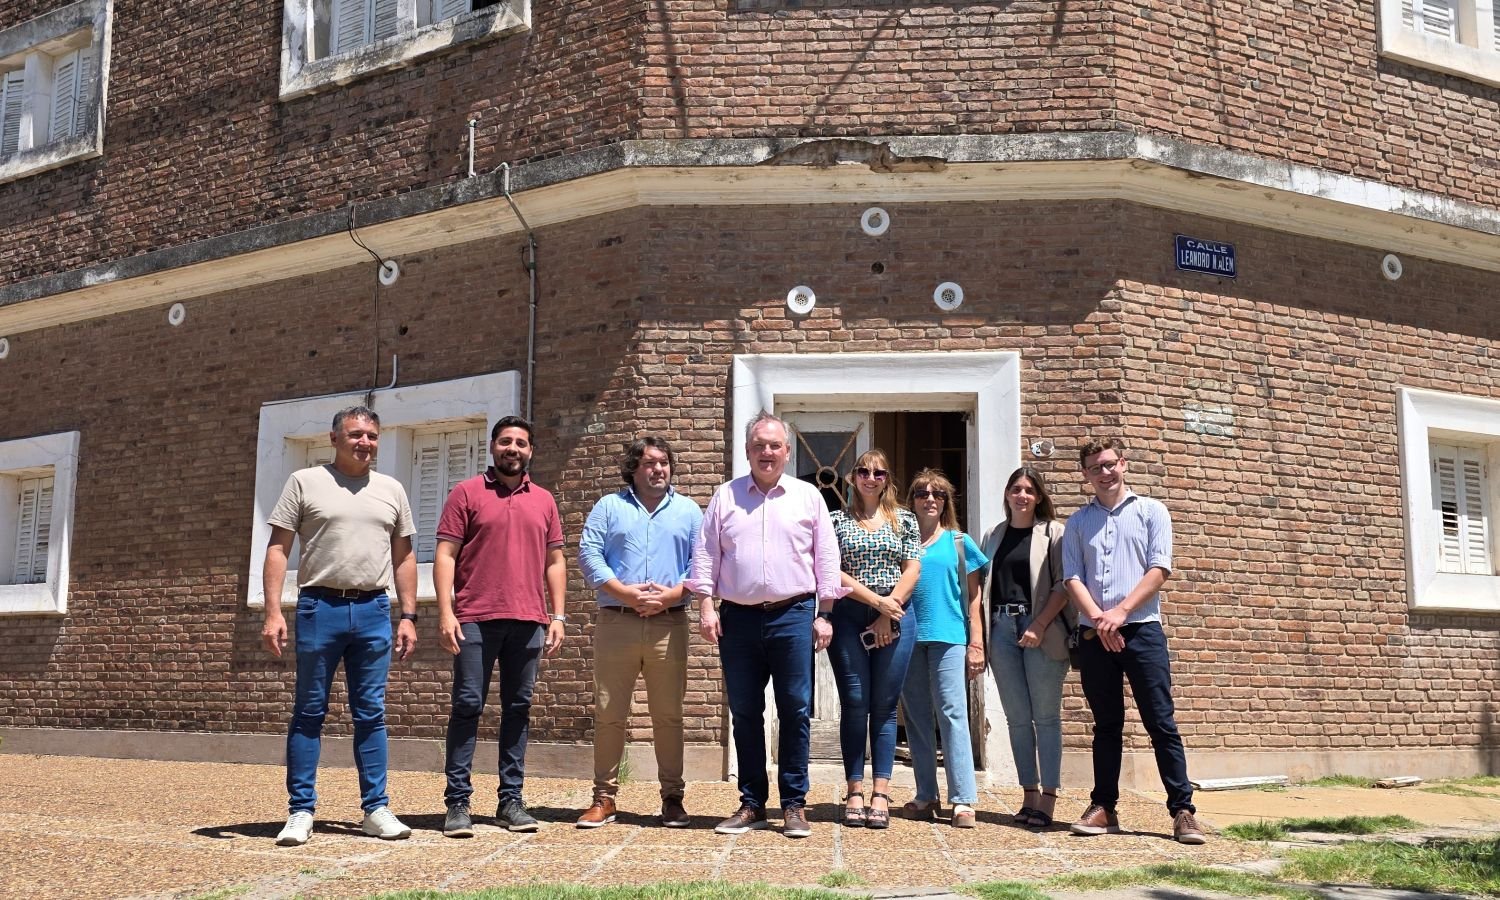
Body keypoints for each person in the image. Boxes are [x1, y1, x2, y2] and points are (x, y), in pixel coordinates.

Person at [261, 405, 418, 846]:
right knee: (310, 710)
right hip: (320, 607)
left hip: (373, 610)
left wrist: (408, 615)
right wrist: (273, 611)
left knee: (371, 712)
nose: (364, 442)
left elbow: (404, 556)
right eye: (355, 434)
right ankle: (301, 811)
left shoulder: (391, 489)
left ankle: (376, 809)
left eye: (371, 435)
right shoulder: (304, 482)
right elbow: (278, 548)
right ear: (334, 438)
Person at [687, 411, 845, 839]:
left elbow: (826, 556)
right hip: (737, 618)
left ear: (787, 451)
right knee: (744, 712)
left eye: (775, 445)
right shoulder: (726, 496)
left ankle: (794, 804)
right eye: (759, 445)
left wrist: (826, 612)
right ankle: (752, 804)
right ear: (747, 451)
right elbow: (706, 553)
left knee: (795, 710)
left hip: (793, 615)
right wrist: (706, 606)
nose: (767, 452)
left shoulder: (808, 496)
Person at [1063, 438, 1206, 844]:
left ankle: (1182, 811)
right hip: (1094, 634)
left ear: (1123, 464)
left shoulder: (1151, 511)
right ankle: (1104, 807)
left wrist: (1120, 613)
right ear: (1085, 474)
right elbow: (1071, 577)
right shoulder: (1077, 522)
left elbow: (1160, 569)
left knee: (1160, 722)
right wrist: (1100, 620)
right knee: (1106, 725)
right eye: (1095, 467)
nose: (1104, 473)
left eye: (1110, 464)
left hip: (1142, 631)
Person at [436, 415, 567, 838]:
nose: (513, 448)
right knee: (467, 705)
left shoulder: (544, 500)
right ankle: (458, 802)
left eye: (521, 443)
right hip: (475, 618)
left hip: (529, 620)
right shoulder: (466, 493)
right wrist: (446, 612)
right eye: (506, 441)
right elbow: (445, 554)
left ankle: (511, 800)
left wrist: (558, 615)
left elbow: (555, 562)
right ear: (493, 446)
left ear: (531, 451)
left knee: (518, 708)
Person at [575, 436, 703, 829]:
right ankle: (604, 797)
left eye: (664, 462)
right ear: (633, 468)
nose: (658, 469)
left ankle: (672, 798)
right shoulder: (608, 507)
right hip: (617, 621)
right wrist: (625, 594)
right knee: (609, 712)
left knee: (669, 715)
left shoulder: (688, 511)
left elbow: (702, 562)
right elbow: (588, 554)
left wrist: (671, 596)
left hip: (669, 624)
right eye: (649, 463)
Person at [827, 449, 920, 829]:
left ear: (887, 480)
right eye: (863, 471)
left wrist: (886, 611)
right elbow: (831, 570)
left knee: (884, 706)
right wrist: (875, 602)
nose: (870, 478)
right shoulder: (836, 521)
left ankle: (880, 792)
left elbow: (912, 568)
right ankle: (854, 789)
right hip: (849, 617)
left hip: (896, 618)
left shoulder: (905, 520)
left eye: (878, 473)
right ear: (853, 477)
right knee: (854, 702)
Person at [980, 466, 1072, 829]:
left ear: (1039, 497)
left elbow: (1064, 584)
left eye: (1029, 491)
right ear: (1007, 494)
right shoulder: (993, 535)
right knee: (1017, 719)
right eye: (1016, 489)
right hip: (1001, 630)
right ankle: (1028, 794)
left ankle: (1048, 797)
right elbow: (981, 587)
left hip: (1041, 629)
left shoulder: (1053, 533)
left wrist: (1039, 624)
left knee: (1046, 717)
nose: (1022, 496)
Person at [899, 469, 985, 829]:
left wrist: (976, 642)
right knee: (916, 717)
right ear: (912, 501)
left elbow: (975, 597)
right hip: (907, 637)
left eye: (937, 493)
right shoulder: (900, 541)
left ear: (946, 501)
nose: (929, 499)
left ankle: (963, 799)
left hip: (949, 636)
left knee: (952, 713)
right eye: (922, 493)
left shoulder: (960, 542)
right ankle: (926, 794)